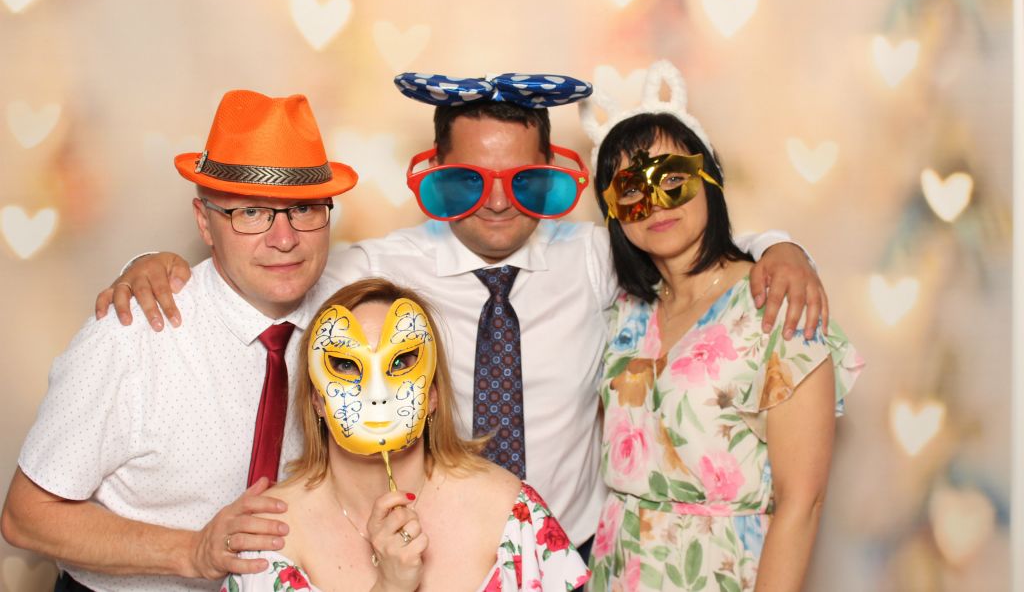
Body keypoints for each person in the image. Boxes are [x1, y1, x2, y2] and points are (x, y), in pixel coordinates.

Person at [94, 71, 829, 559]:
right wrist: (160, 261)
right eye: (470, 181)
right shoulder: (374, 268)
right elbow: (268, 262)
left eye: (525, 180)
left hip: (576, 554)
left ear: (552, 173)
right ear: (438, 173)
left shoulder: (594, 257)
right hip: (436, 557)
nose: (500, 202)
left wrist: (780, 248)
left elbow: (683, 237)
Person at [1, 90, 358, 591]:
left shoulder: (354, 323)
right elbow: (26, 516)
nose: (284, 238)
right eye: (251, 213)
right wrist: (191, 551)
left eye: (304, 209)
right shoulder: (132, 334)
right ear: (204, 223)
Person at [583, 61, 863, 591]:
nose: (655, 203)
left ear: (709, 178)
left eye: (673, 178)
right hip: (617, 570)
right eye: (631, 190)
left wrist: (782, 248)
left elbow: (802, 503)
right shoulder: (624, 311)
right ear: (614, 212)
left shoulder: (777, 303)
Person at [222, 277, 590, 591]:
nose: (377, 393)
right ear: (317, 399)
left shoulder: (510, 514)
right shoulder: (271, 537)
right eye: (346, 365)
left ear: (433, 394)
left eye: (400, 362)